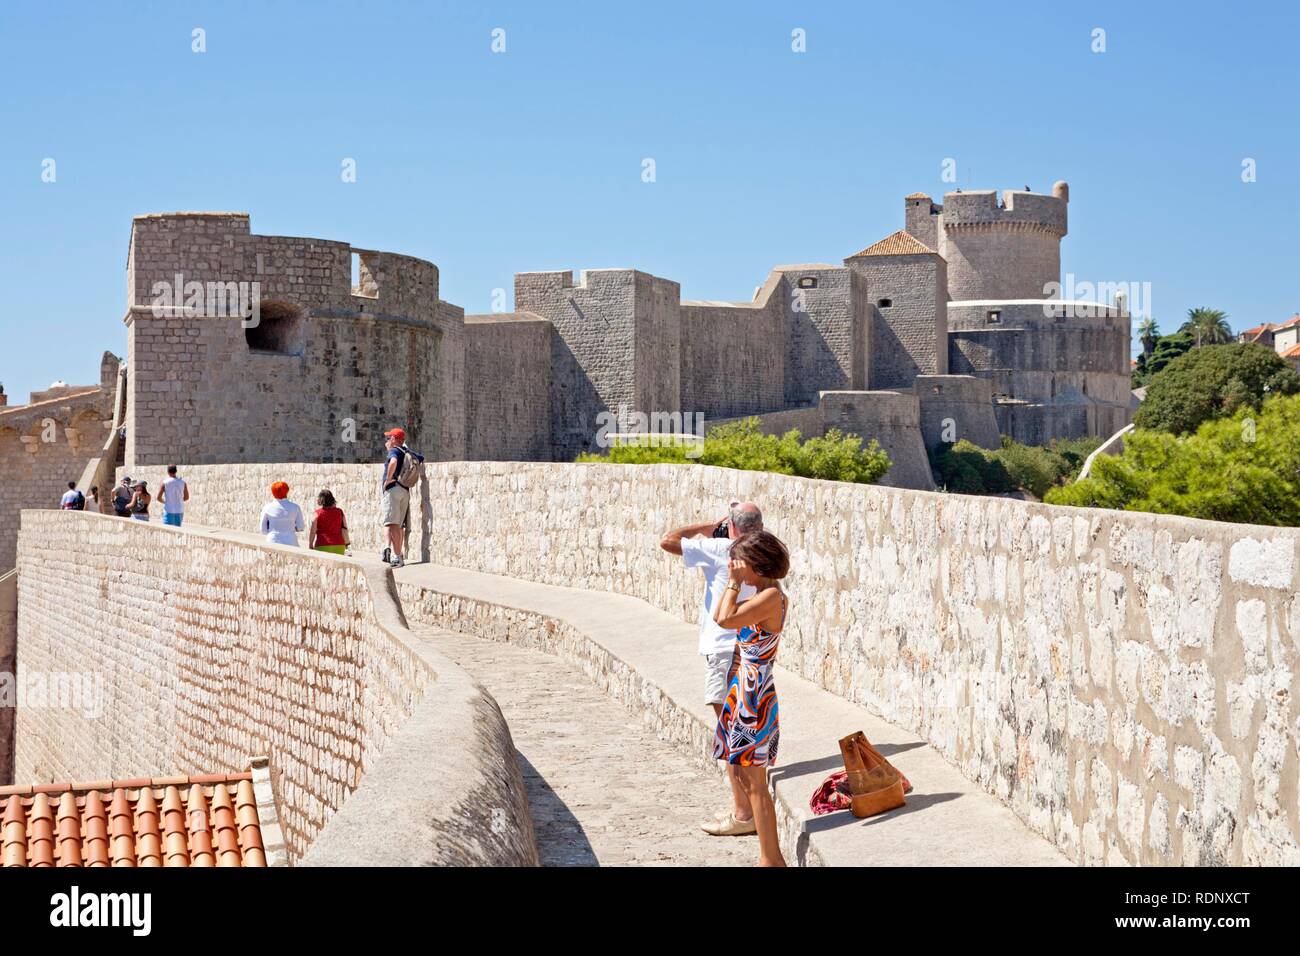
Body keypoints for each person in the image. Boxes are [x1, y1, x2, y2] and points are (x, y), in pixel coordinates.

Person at [659, 501, 764, 837]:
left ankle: (743, 815)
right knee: (742, 732)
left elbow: (668, 541)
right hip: (752, 649)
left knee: (730, 736)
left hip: (722, 650)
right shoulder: (766, 550)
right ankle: (746, 809)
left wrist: (711, 524)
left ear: (732, 526)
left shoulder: (721, 548)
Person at [712, 529, 791, 868]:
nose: (737, 567)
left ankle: (771, 860)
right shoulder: (761, 594)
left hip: (753, 695)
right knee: (745, 775)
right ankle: (769, 858)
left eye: (742, 561)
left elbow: (724, 618)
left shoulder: (771, 597)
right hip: (743, 689)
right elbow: (725, 616)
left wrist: (731, 582)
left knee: (756, 781)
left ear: (757, 563)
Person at [380, 427, 410, 568]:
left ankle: (397, 557)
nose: (387, 440)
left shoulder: (394, 451)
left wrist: (388, 479)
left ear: (394, 439)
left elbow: (393, 462)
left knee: (392, 526)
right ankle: (399, 556)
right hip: (404, 490)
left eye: (389, 438)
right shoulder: (406, 451)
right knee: (397, 526)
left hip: (393, 490)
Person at [260, 481, 304, 546]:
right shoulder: (295, 507)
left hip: (273, 541)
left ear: (273, 492)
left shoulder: (267, 507)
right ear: (287, 491)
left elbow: (263, 530)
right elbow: (300, 527)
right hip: (291, 541)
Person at [309, 489, 350, 555]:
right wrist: (347, 543)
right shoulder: (340, 512)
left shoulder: (317, 513)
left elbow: (313, 531)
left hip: (322, 545)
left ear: (321, 500)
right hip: (339, 545)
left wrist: (310, 544)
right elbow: (345, 528)